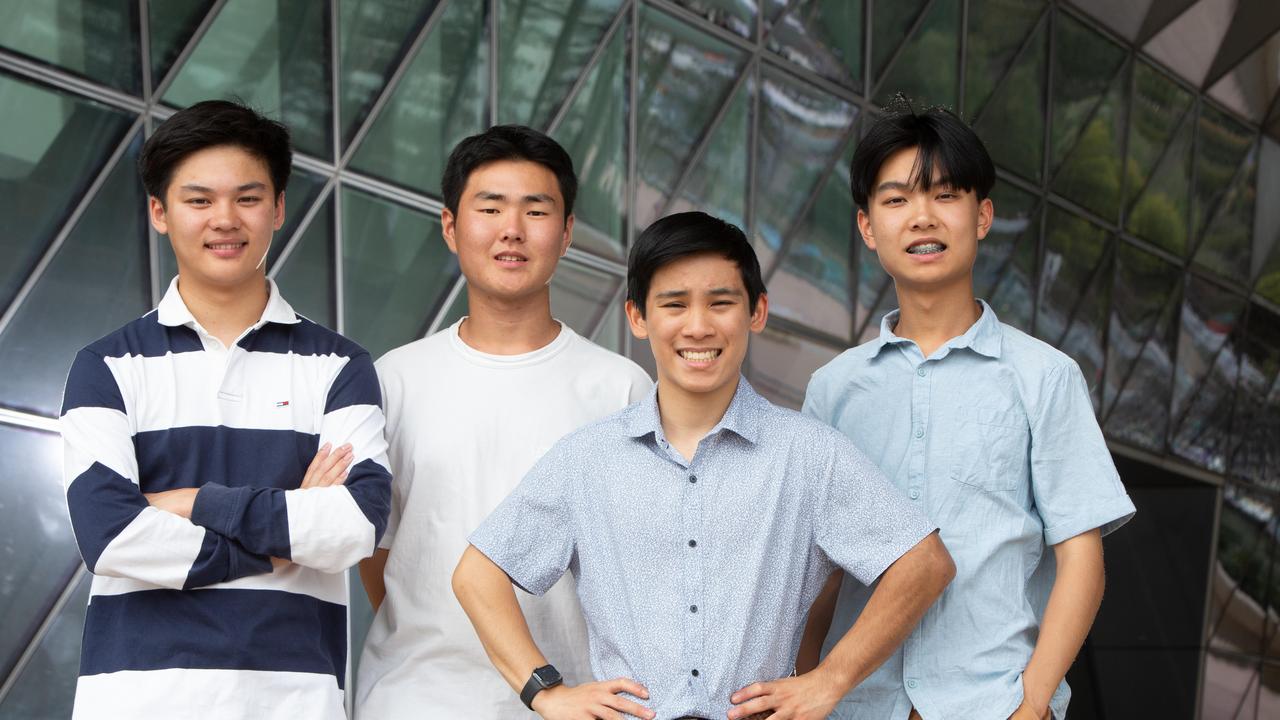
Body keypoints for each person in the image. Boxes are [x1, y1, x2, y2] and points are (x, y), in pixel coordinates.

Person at [453, 210, 956, 720]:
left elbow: (925, 563)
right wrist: (546, 691)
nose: (698, 326)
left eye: (721, 303)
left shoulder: (809, 454)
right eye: (674, 304)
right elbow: (478, 575)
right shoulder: (587, 459)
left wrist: (832, 679)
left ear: (756, 311)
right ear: (638, 317)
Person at [800, 104, 1136, 720]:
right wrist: (804, 683)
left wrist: (1032, 704)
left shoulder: (1045, 377)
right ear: (867, 226)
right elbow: (819, 574)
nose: (922, 218)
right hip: (857, 707)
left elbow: (1082, 560)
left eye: (945, 195)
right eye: (896, 200)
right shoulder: (832, 389)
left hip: (992, 703)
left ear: (982, 216)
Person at [60, 99, 391, 720]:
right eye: (198, 199)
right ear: (160, 212)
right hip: (134, 702)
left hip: (295, 701)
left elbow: (355, 525)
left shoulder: (340, 367)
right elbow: (111, 536)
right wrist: (281, 542)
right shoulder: (105, 366)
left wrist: (191, 503)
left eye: (247, 197)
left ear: (279, 208)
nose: (225, 219)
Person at [355, 125, 652, 718]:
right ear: (450, 226)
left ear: (566, 233)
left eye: (535, 210)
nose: (512, 229)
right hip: (416, 697)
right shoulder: (394, 380)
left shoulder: (619, 389)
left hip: (578, 703)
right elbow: (377, 549)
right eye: (490, 207)